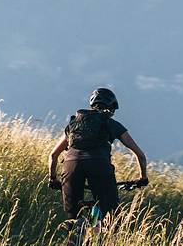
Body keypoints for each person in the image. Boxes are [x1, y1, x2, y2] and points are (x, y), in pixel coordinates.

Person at [48, 87, 149, 219]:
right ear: (111, 108)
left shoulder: (73, 124)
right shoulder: (111, 123)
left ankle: (74, 234)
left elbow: (53, 155)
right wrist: (143, 178)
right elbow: (140, 155)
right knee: (111, 215)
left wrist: (53, 178)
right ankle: (106, 235)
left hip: (71, 166)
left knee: (73, 216)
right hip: (99, 165)